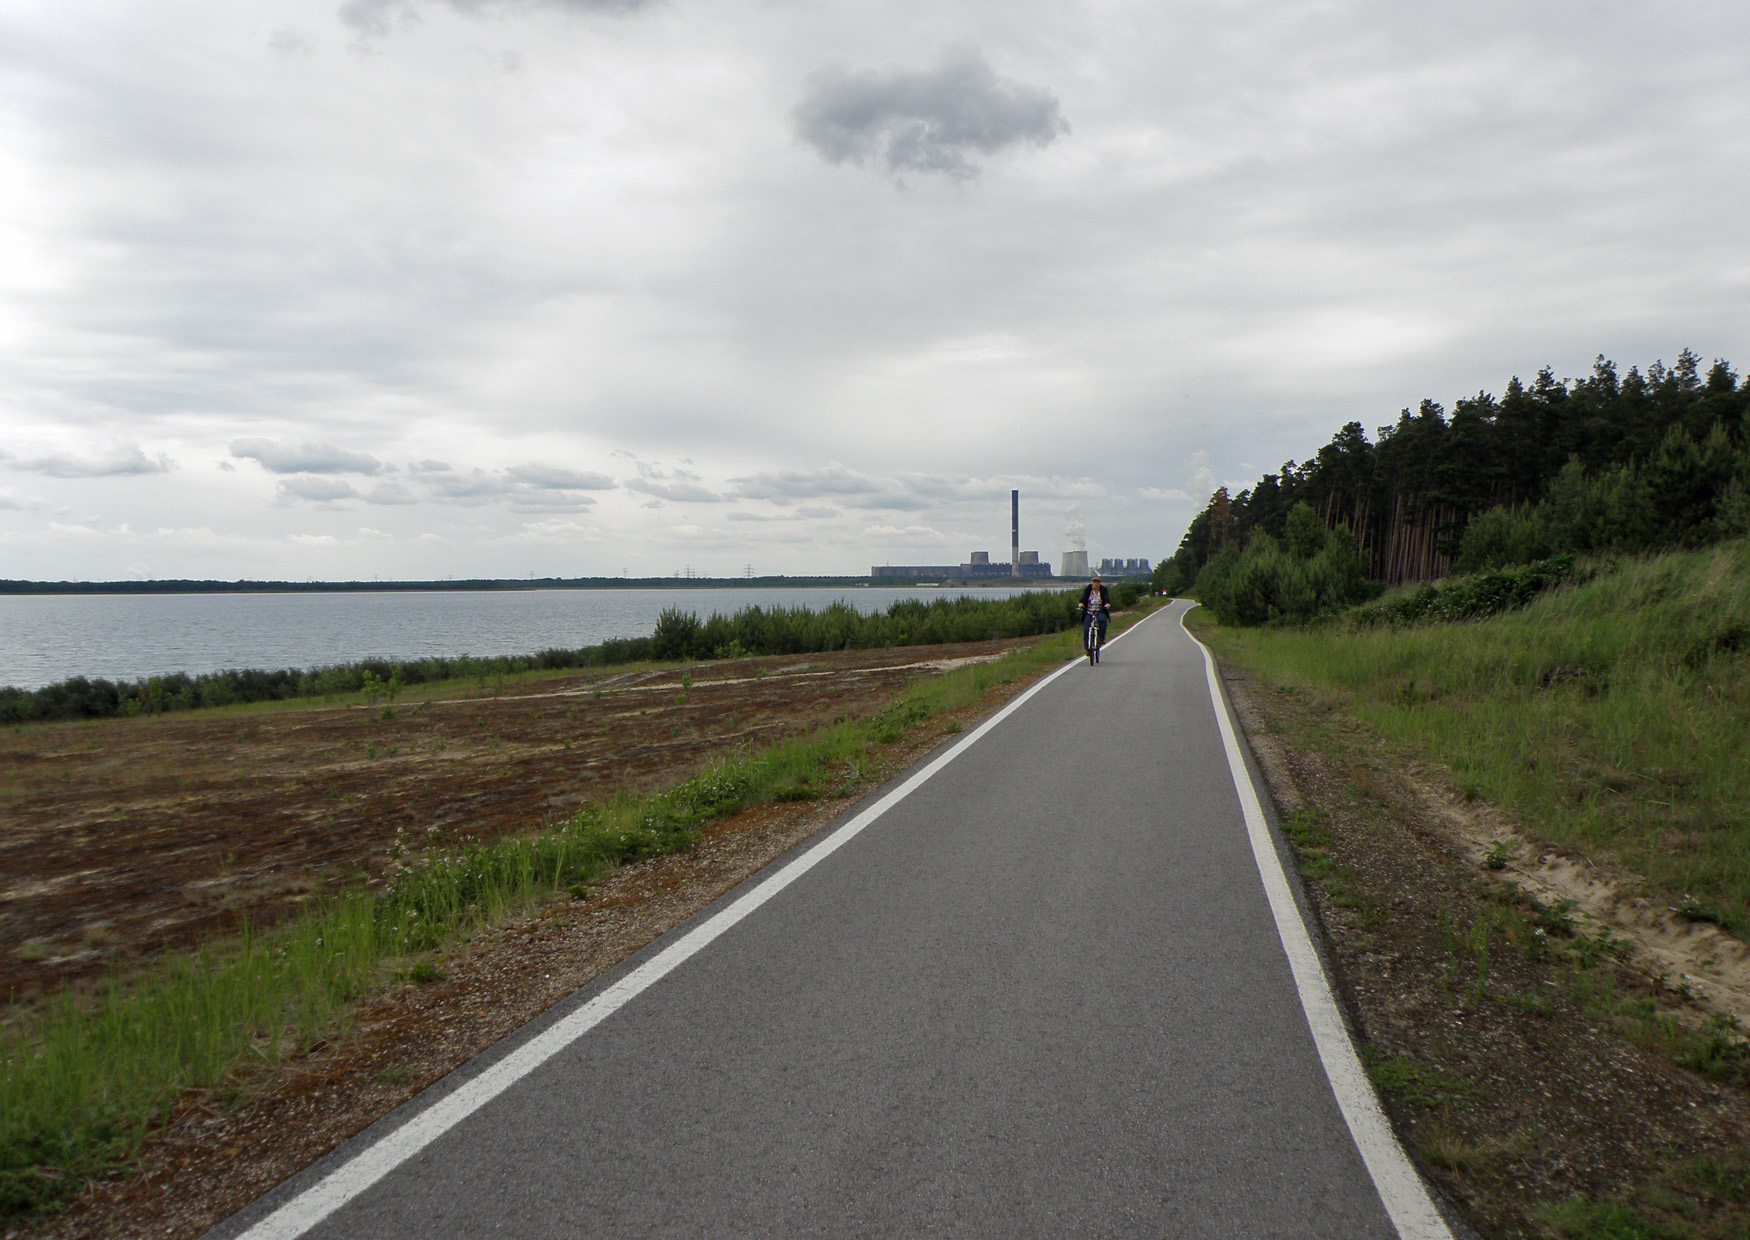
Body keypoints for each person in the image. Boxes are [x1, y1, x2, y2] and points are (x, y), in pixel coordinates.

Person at [1077, 573, 1111, 656]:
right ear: (1092, 582)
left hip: (1099, 610)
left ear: (1100, 582)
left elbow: (1107, 598)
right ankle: (1087, 649)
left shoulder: (1103, 589)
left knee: (1102, 620)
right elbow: (1083, 597)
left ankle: (1101, 638)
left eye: (1097, 581)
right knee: (1086, 629)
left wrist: (1107, 604)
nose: (1096, 583)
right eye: (1094, 581)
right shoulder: (1089, 589)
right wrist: (1081, 604)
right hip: (1089, 611)